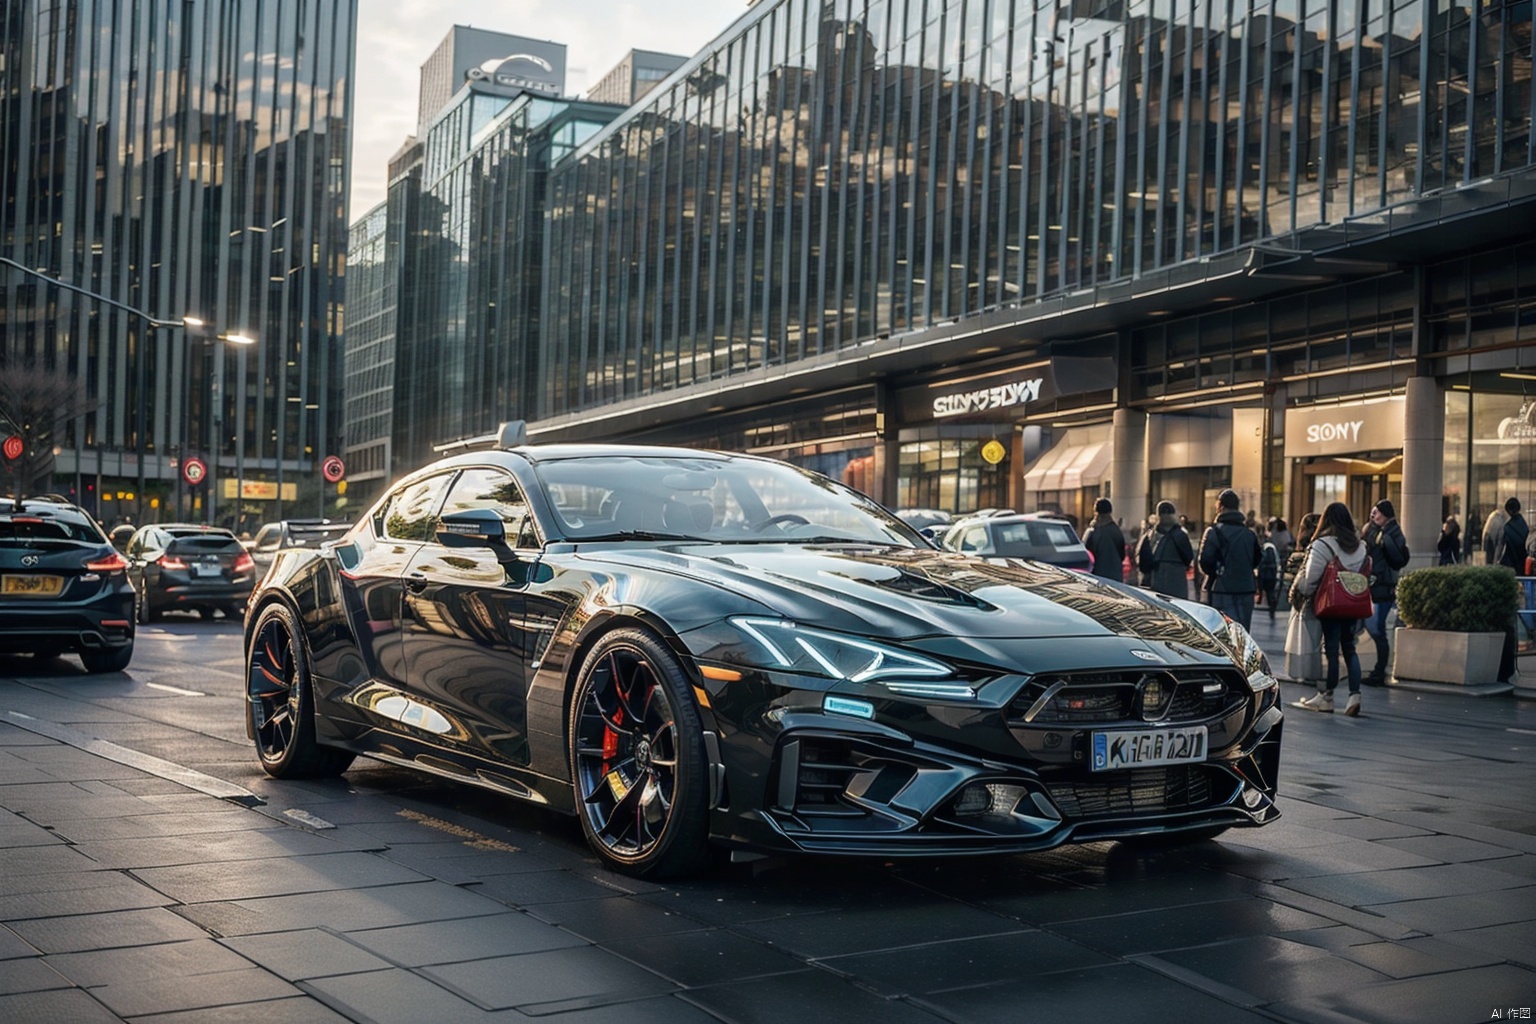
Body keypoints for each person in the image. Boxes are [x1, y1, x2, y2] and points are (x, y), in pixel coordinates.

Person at [1293, 502, 1370, 716]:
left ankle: (1327, 697)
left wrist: (1301, 593)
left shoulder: (1322, 545)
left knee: (1332, 650)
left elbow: (1310, 579)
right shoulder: (1360, 546)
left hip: (1331, 605)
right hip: (1353, 604)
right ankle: (1354, 696)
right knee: (1349, 648)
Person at [1361, 499, 1410, 687]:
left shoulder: (1392, 533)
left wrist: (1384, 541)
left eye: (1377, 512)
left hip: (1382, 587)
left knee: (1376, 628)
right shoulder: (1373, 530)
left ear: (1386, 514)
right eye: (1373, 512)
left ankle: (1379, 671)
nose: (1374, 515)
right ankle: (1377, 669)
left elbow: (1397, 560)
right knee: (1373, 626)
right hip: (1372, 585)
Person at [1199, 489, 1263, 629]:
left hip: (1220, 590)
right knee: (1241, 634)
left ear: (1220, 506)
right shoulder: (1249, 535)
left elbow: (1205, 562)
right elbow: (1257, 559)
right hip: (1246, 590)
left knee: (1219, 633)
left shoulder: (1213, 532)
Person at [1283, 512, 1323, 685]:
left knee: (1302, 635)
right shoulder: (1319, 545)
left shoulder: (1303, 545)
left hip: (1302, 596)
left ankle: (1303, 670)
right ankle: (1314, 670)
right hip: (1317, 595)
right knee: (1315, 636)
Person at [1136, 500, 1195, 597]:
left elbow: (1142, 562)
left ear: (1158, 515)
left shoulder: (1149, 536)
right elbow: (1188, 557)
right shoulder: (1181, 535)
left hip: (1154, 583)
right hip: (1177, 582)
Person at [1082, 497, 1128, 583]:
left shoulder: (1092, 531)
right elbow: (1122, 554)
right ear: (1110, 512)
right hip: (1115, 578)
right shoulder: (1116, 530)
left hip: (1096, 578)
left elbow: (1086, 555)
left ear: (1095, 511)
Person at [1494, 497, 1529, 571]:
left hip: (1510, 564)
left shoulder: (1507, 527)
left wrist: (1496, 561)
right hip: (1522, 563)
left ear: (1508, 511)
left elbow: (1501, 547)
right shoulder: (1524, 525)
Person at [1257, 538, 1281, 619]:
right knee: (1270, 592)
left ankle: (1268, 603)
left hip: (1266, 573)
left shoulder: (1267, 548)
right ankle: (1271, 607)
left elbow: (1264, 562)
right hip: (1272, 573)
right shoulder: (1272, 547)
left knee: (1267, 591)